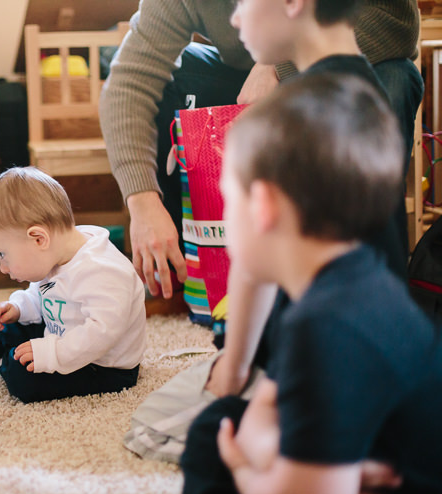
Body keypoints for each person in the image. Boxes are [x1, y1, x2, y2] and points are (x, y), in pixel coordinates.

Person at [123, 0, 423, 466]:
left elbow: (254, 269)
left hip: (321, 368)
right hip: (387, 360)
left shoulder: (277, 137)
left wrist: (234, 375)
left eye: (243, 4)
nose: (234, 18)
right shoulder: (367, 105)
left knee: (205, 446)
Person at [176, 73, 442, 494]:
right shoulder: (354, 282)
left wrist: (248, 470)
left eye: (227, 200)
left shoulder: (326, 323)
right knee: (213, 428)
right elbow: (275, 402)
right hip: (345, 465)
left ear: (263, 207)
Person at [99, 0, 421, 301]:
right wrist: (142, 200)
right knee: (171, 77)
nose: (232, 18)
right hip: (246, 75)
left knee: (395, 78)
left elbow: (397, 22)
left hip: (323, 64)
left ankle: (364, 278)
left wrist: (278, 68)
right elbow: (128, 81)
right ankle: (188, 277)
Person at [0, 167, 146, 403]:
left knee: (23, 378)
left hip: (101, 364)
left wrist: (51, 353)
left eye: (2, 254)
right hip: (58, 331)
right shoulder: (54, 254)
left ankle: (4, 361)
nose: (3, 268)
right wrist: (20, 308)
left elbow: (101, 334)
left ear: (38, 238)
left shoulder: (104, 271)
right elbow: (42, 294)